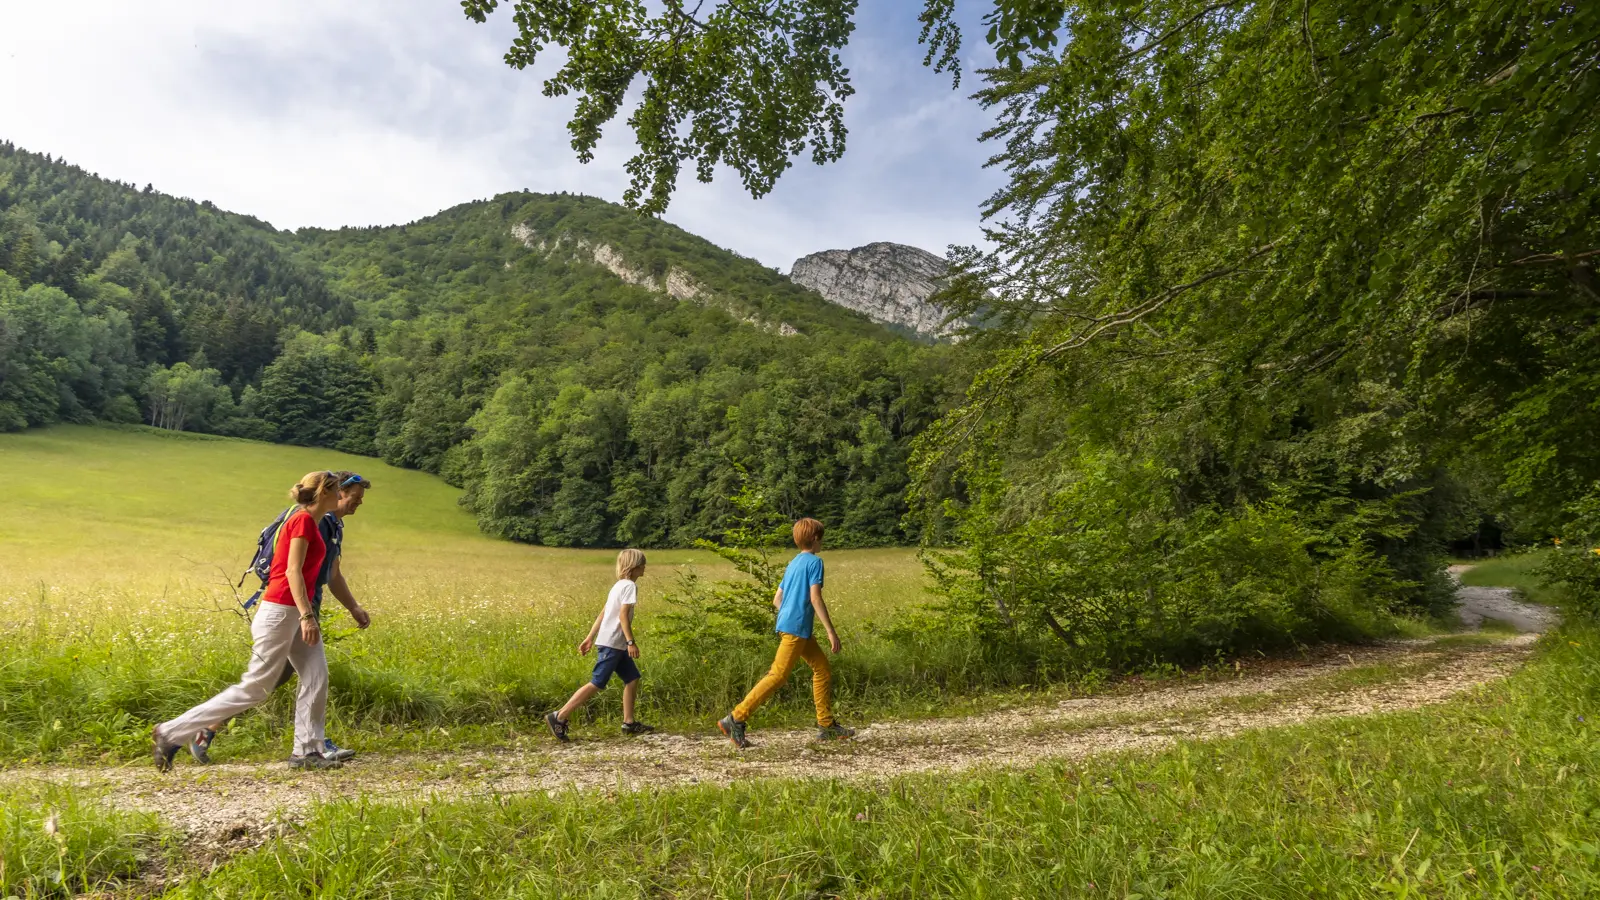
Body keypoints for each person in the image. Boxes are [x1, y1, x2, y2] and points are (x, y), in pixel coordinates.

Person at [153, 471, 345, 771]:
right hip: (281, 611)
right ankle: (171, 732)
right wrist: (307, 615)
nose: (342, 497)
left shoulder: (314, 521)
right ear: (325, 493)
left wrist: (306, 614)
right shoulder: (302, 521)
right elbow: (292, 571)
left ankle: (306, 751)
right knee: (256, 687)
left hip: (294, 610)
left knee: (316, 676)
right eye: (338, 492)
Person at [188, 472, 375, 765]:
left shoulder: (334, 526)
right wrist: (306, 615)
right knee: (271, 680)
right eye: (355, 497)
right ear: (337, 493)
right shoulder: (318, 522)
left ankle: (309, 745)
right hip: (293, 609)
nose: (358, 504)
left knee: (290, 676)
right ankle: (202, 727)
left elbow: (333, 574)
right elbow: (295, 570)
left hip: (303, 608)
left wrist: (353, 607)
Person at [718, 517, 855, 748]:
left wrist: (790, 613)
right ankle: (736, 718)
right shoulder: (814, 562)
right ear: (815, 539)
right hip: (796, 629)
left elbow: (777, 599)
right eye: (821, 538)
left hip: (791, 625)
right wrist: (831, 632)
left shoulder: (793, 564)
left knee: (821, 668)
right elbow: (815, 598)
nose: (822, 543)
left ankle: (826, 725)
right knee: (778, 675)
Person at [545, 549, 655, 741]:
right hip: (614, 643)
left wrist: (589, 637)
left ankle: (629, 723)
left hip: (613, 643)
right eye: (643, 563)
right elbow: (622, 616)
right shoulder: (629, 586)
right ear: (635, 566)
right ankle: (559, 717)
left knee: (632, 678)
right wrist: (631, 642)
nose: (645, 567)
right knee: (598, 682)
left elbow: (603, 614)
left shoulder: (618, 585)